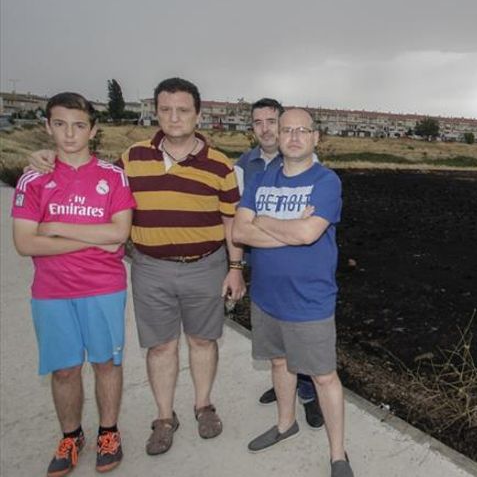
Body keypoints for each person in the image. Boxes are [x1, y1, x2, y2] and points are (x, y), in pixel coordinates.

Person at [28, 78, 246, 456]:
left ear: (198, 114)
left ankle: (203, 405)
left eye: (182, 110)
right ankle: (164, 418)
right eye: (165, 109)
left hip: (205, 265)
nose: (173, 117)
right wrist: (47, 156)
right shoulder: (132, 158)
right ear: (156, 112)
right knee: (160, 346)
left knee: (202, 340)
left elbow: (231, 223)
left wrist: (235, 267)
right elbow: (91, 175)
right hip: (151, 267)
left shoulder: (220, 164)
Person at [13, 92, 135, 476]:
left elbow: (120, 233)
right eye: (61, 124)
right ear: (48, 126)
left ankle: (108, 432)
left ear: (93, 130)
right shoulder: (33, 178)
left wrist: (55, 229)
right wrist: (94, 237)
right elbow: (25, 242)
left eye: (79, 125)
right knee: (64, 369)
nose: (69, 134)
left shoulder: (113, 176)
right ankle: (71, 435)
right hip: (52, 292)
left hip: (103, 286)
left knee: (105, 363)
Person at [233, 108, 353, 476]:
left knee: (323, 376)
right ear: (276, 137)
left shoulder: (326, 181)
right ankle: (286, 424)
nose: (294, 136)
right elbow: (239, 232)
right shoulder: (261, 178)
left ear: (316, 137)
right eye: (287, 130)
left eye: (303, 130)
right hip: (267, 297)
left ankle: (337, 454)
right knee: (279, 362)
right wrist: (289, 226)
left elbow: (308, 235)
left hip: (310, 300)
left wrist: (265, 221)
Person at [234, 98, 324, 429]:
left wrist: (265, 223)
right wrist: (237, 267)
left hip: (300, 269)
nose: (266, 129)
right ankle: (284, 388)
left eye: (272, 121)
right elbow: (241, 223)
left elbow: (309, 229)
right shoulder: (246, 166)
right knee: (278, 344)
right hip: (263, 263)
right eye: (258, 123)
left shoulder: (309, 165)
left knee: (303, 340)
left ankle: (309, 395)